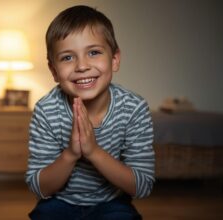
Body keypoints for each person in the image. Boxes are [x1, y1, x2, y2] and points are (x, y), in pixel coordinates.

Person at [25, 5, 155, 220]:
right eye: (67, 57)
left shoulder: (134, 108)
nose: (82, 66)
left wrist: (94, 151)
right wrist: (71, 154)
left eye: (93, 52)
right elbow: (40, 188)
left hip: (112, 202)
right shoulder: (46, 110)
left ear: (114, 60)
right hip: (59, 201)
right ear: (54, 71)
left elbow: (142, 187)